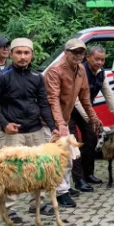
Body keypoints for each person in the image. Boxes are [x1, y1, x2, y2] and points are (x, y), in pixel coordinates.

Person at [0, 38, 59, 218]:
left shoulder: (37, 77)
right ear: (11, 54)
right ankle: (9, 209)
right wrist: (4, 124)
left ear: (32, 55)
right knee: (12, 171)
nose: (23, 57)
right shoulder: (2, 77)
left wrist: (53, 126)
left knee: (39, 169)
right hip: (13, 133)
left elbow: (43, 103)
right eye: (19, 53)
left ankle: (37, 205)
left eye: (26, 53)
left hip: (35, 130)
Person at [44, 38, 102, 208]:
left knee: (69, 157)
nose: (78, 55)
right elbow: (52, 99)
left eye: (81, 52)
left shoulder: (81, 69)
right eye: (75, 52)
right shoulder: (55, 71)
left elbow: (85, 98)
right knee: (56, 158)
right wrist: (60, 124)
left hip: (64, 119)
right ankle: (60, 194)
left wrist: (93, 117)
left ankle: (65, 188)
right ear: (66, 53)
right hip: (50, 122)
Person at [72, 45, 114, 191]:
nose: (100, 63)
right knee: (74, 145)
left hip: (87, 110)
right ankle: (79, 179)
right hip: (70, 110)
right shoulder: (80, 71)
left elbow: (108, 93)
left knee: (91, 140)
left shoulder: (101, 73)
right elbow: (75, 99)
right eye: (97, 59)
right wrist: (90, 118)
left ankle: (89, 174)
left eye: (102, 60)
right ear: (88, 57)